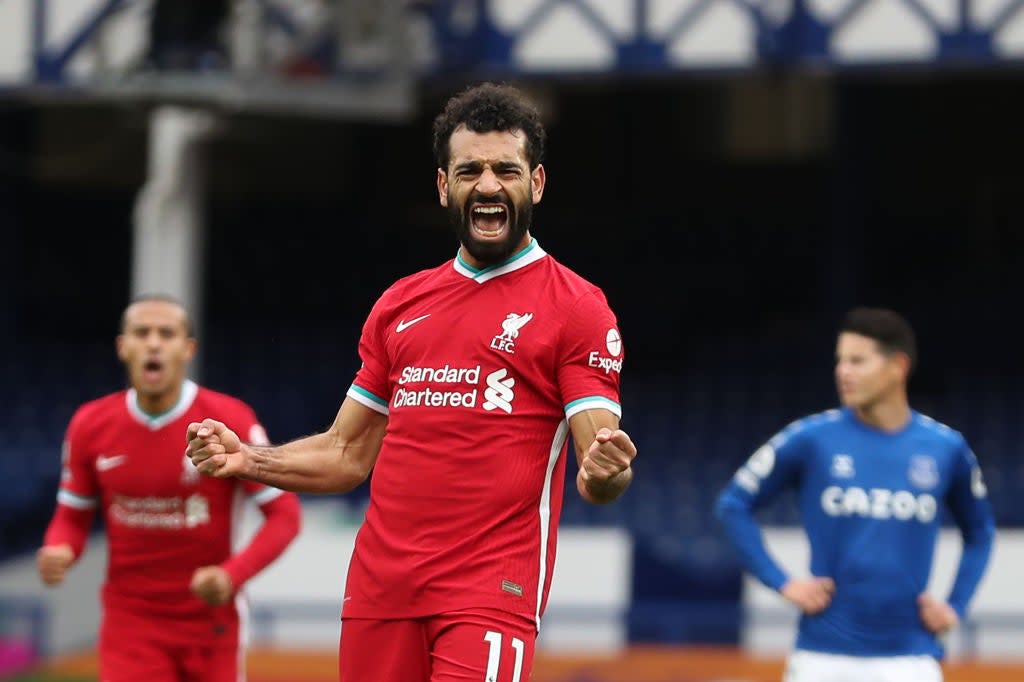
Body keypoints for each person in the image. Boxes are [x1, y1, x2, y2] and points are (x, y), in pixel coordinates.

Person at [186, 82, 637, 682]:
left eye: (507, 169)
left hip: (488, 596)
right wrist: (247, 459)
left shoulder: (576, 308)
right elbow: (346, 453)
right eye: (469, 169)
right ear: (444, 186)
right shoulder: (401, 304)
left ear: (537, 184)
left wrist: (611, 471)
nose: (488, 185)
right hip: (379, 595)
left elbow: (597, 463)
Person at [715, 307, 995, 682]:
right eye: (840, 360)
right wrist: (783, 583)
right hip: (821, 658)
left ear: (898, 366)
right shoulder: (811, 438)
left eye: (857, 360)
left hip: (910, 660)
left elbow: (980, 531)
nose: (842, 371)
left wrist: (955, 606)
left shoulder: (945, 447)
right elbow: (733, 505)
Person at [38, 294, 301, 682]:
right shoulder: (89, 425)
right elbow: (72, 518)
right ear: (123, 347)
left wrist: (231, 575)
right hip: (132, 624)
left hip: (210, 623)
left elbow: (285, 517)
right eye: (142, 333)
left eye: (167, 333)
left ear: (188, 348)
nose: (154, 343)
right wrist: (60, 548)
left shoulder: (228, 420)